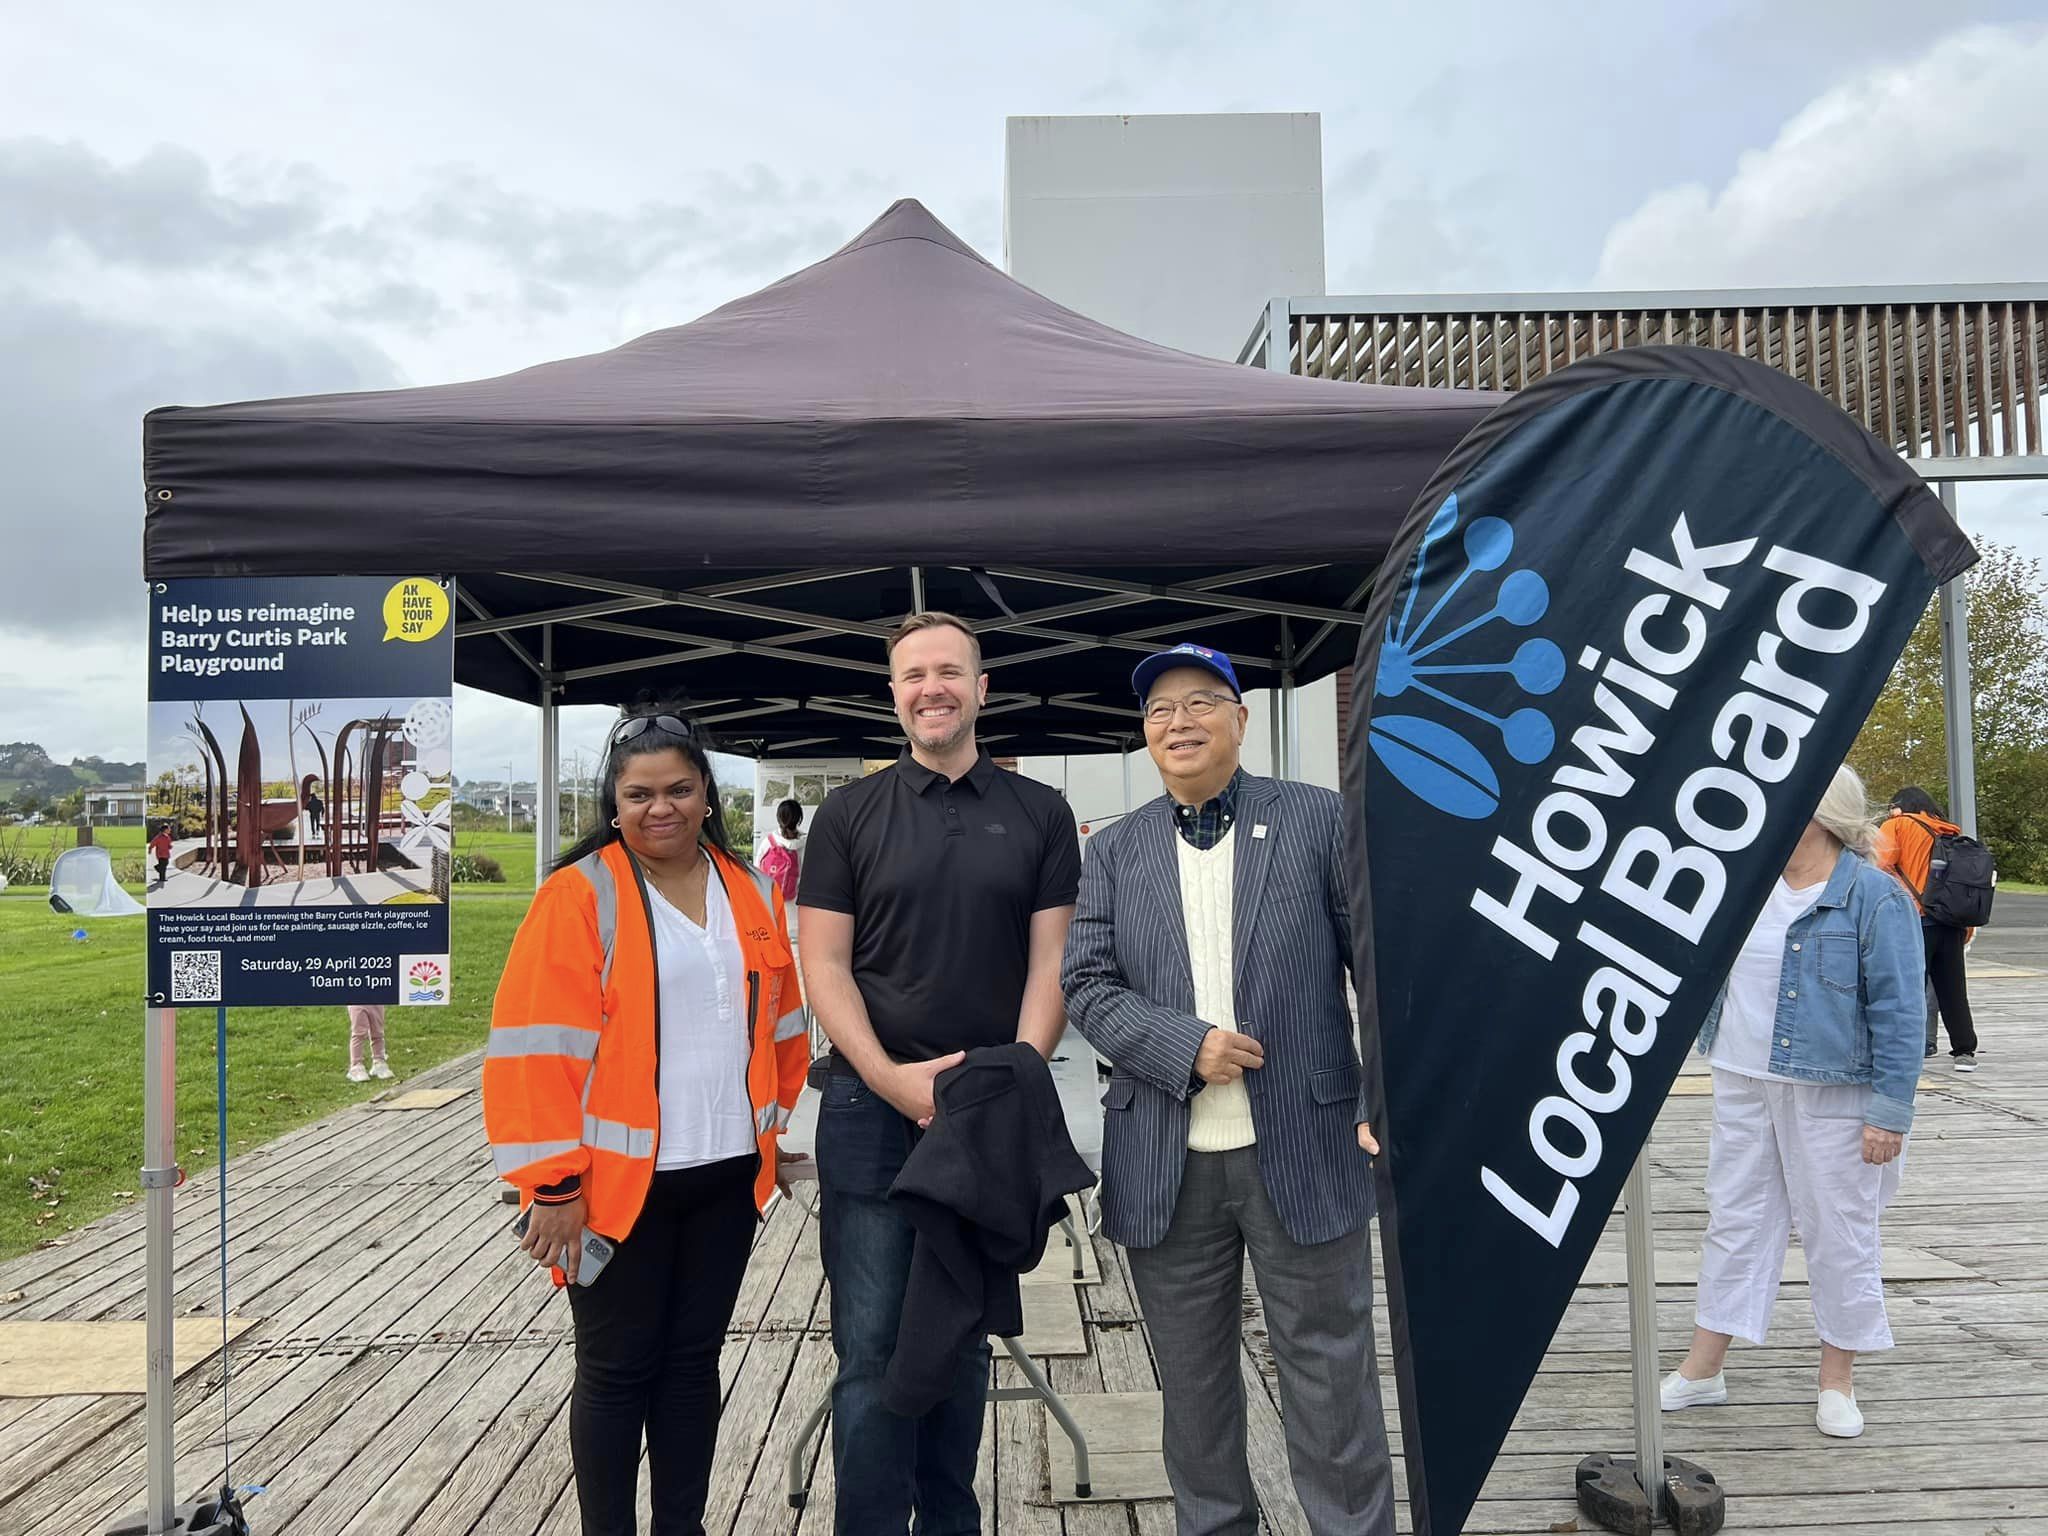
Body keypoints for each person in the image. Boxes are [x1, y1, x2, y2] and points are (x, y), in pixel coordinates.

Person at [1061, 642, 1393, 1536]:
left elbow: (1381, 965)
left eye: (1202, 703)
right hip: (1166, 1155)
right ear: (1144, 735)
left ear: (1241, 721)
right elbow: (1085, 984)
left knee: (1330, 1376)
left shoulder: (1319, 820)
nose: (1180, 722)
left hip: (1306, 1139)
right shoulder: (1116, 850)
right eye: (1161, 711)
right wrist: (1185, 1045)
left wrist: (1381, 1100)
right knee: (1194, 1386)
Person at [484, 706, 806, 1536]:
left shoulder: (753, 891)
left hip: (729, 1178)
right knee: (617, 1371)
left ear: (707, 796)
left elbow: (784, 1026)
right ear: (613, 803)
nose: (658, 808)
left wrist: (769, 1125)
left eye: (678, 790)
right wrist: (551, 1184)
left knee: (694, 1364)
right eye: (637, 795)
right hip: (610, 1191)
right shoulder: (577, 896)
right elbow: (532, 1055)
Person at [798, 611, 1079, 1535]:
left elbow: (1051, 967)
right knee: (875, 1351)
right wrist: (891, 1080)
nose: (932, 688)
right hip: (869, 1110)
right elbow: (825, 967)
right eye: (913, 674)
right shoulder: (847, 815)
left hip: (986, 1119)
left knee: (960, 1337)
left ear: (982, 686)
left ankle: (952, 1523)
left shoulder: (1041, 813)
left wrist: (1014, 1081)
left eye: (950, 671)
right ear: (893, 693)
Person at [1663, 764, 1923, 1439]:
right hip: (1742, 1076)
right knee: (1735, 1219)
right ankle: (1704, 1367)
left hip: (1835, 1088)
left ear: (1818, 812)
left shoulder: (1874, 897)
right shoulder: (1743, 884)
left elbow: (1901, 1010)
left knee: (1840, 1231)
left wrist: (1890, 1111)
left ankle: (1837, 1379)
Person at [1873, 786, 1979, 1072]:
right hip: (1952, 921)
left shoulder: (1897, 825)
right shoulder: (1950, 832)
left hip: (1915, 918)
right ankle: (1964, 1051)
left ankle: (1911, 1045)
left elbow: (1878, 863)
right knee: (1953, 988)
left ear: (1899, 806)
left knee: (1909, 986)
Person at [759, 798, 805, 924]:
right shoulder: (805, 845)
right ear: (799, 819)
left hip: (771, 905)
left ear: (778, 818)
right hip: (795, 910)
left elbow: (757, 870)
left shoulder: (768, 842)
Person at [346, 1005, 391, 1082]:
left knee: (378, 1033)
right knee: (359, 1033)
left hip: (376, 1002)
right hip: (357, 1003)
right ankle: (356, 1066)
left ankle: (379, 1062)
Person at [148, 823, 173, 888]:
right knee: (163, 866)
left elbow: (169, 844)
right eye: (169, 829)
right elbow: (153, 842)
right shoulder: (158, 837)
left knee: (165, 864)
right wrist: (150, 848)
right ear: (165, 830)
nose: (170, 830)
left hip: (166, 853)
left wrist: (170, 846)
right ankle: (162, 878)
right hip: (160, 854)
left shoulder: (168, 837)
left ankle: (157, 868)